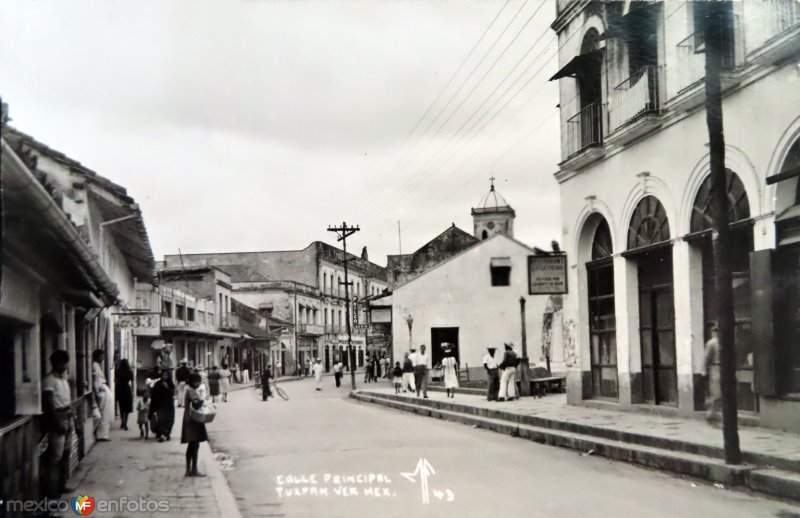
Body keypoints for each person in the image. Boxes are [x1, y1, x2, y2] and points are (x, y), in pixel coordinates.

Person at [42, 349, 74, 497]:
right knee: (56, 456)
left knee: (66, 453)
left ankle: (62, 485)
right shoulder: (49, 380)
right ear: (57, 363)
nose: (66, 366)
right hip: (58, 418)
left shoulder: (63, 380)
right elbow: (48, 404)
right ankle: (51, 490)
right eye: (64, 363)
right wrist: (57, 423)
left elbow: (66, 401)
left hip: (67, 416)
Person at [181, 372, 209, 477]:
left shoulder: (188, 390)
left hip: (188, 419)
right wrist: (204, 401)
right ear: (194, 382)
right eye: (198, 381)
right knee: (195, 445)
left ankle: (188, 469)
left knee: (191, 445)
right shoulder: (192, 391)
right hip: (193, 420)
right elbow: (196, 403)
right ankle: (194, 469)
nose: (199, 383)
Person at [92, 349, 113, 441]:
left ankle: (104, 434)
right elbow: (95, 381)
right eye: (101, 356)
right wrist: (96, 393)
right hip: (101, 391)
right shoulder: (94, 366)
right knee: (103, 414)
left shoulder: (97, 366)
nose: (103, 358)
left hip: (103, 390)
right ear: (97, 356)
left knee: (106, 413)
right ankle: (101, 435)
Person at [150, 369, 176, 442]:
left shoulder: (170, 383)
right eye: (163, 375)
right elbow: (154, 394)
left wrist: (167, 387)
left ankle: (167, 433)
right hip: (160, 404)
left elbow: (172, 393)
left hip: (169, 405)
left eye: (166, 375)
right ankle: (161, 434)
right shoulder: (158, 384)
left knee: (169, 420)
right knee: (161, 419)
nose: (164, 377)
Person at [704, 325, 722, 425]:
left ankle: (716, 415)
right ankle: (711, 415)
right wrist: (706, 371)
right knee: (716, 393)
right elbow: (707, 358)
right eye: (715, 331)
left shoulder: (727, 341)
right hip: (716, 368)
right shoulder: (712, 343)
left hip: (726, 369)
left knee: (726, 394)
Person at [115, 358, 134, 430]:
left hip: (120, 389)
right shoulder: (130, 372)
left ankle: (122, 421)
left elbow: (115, 380)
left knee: (121, 407)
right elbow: (132, 382)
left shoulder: (118, 371)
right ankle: (125, 423)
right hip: (127, 389)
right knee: (127, 408)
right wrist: (132, 391)